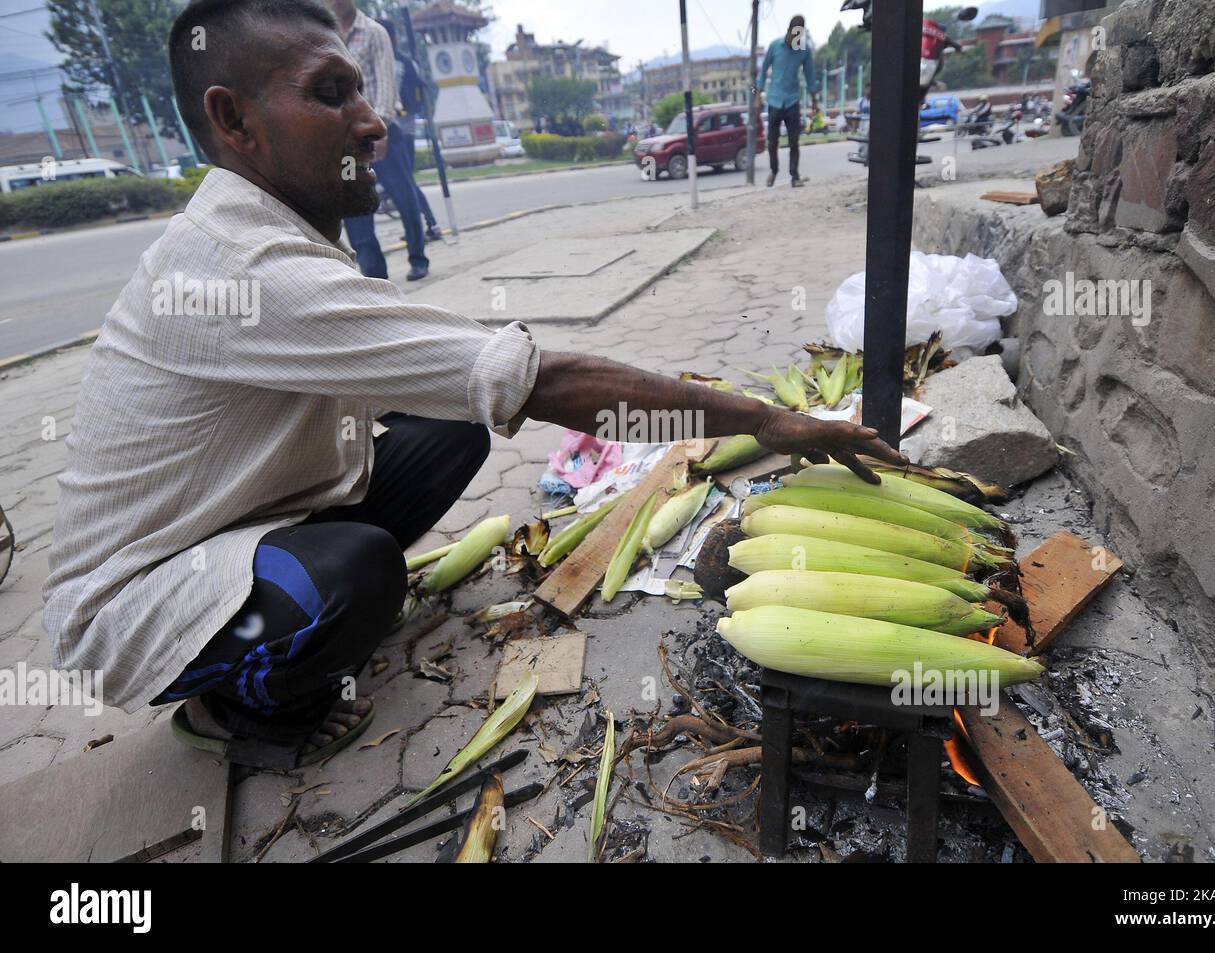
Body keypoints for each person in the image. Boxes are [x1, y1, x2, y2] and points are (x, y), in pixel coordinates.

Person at [42, 0, 907, 768]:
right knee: (359, 570)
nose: (372, 121)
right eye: (332, 92)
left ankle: (296, 601)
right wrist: (770, 421)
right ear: (235, 120)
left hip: (243, 517)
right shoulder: (242, 269)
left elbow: (444, 372)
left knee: (451, 429)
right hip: (134, 600)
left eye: (361, 90)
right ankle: (244, 712)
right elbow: (538, 380)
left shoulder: (280, 235)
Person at [329, 0, 428, 281]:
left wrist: (380, 129)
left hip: (381, 130)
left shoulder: (374, 32)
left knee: (404, 197)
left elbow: (386, 83)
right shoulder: (325, 37)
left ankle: (418, 257)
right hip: (345, 140)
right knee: (355, 208)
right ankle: (375, 279)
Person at [378, 16, 441, 242]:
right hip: (383, 131)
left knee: (407, 182)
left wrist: (401, 111)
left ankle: (430, 224)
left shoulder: (402, 63)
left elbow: (416, 98)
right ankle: (414, 228)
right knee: (400, 184)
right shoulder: (376, 61)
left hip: (402, 130)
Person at [756, 14, 820, 188]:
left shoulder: (804, 50)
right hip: (775, 100)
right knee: (772, 141)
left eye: (800, 37)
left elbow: (810, 76)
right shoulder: (775, 46)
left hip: (792, 100)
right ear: (789, 31)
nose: (796, 40)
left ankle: (794, 176)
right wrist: (758, 95)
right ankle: (774, 170)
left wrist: (814, 101)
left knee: (794, 141)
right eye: (794, 36)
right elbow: (763, 71)